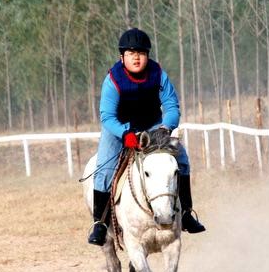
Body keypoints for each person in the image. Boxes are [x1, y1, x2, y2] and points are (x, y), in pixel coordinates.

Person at [88, 27, 206, 246]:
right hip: (119, 129)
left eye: (141, 53)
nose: (136, 56)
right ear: (121, 56)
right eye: (131, 53)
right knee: (104, 169)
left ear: (147, 55)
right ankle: (100, 224)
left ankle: (188, 213)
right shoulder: (112, 80)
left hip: (153, 127)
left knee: (181, 159)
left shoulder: (158, 74)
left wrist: (165, 127)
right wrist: (125, 134)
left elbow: (171, 106)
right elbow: (107, 116)